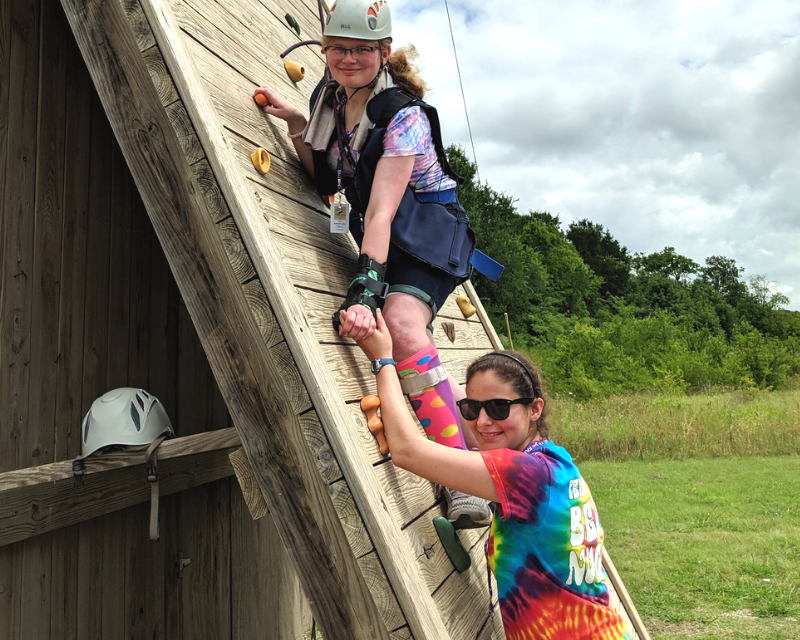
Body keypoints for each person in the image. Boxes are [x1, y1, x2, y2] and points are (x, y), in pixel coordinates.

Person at [254, 0, 490, 526]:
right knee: (400, 330)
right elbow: (325, 184)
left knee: (403, 327)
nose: (348, 58)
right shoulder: (328, 99)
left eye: (362, 49)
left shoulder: (403, 116)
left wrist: (364, 291)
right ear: (324, 49)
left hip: (426, 232)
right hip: (382, 233)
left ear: (383, 52)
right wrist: (296, 123)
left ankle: (463, 479)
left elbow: (381, 211)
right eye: (338, 48)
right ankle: (476, 444)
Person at [355, 310, 631, 640]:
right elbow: (480, 427)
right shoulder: (552, 463)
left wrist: (383, 361)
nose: (483, 421)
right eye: (472, 409)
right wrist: (417, 349)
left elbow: (407, 451)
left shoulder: (524, 475)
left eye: (499, 408)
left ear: (535, 409)